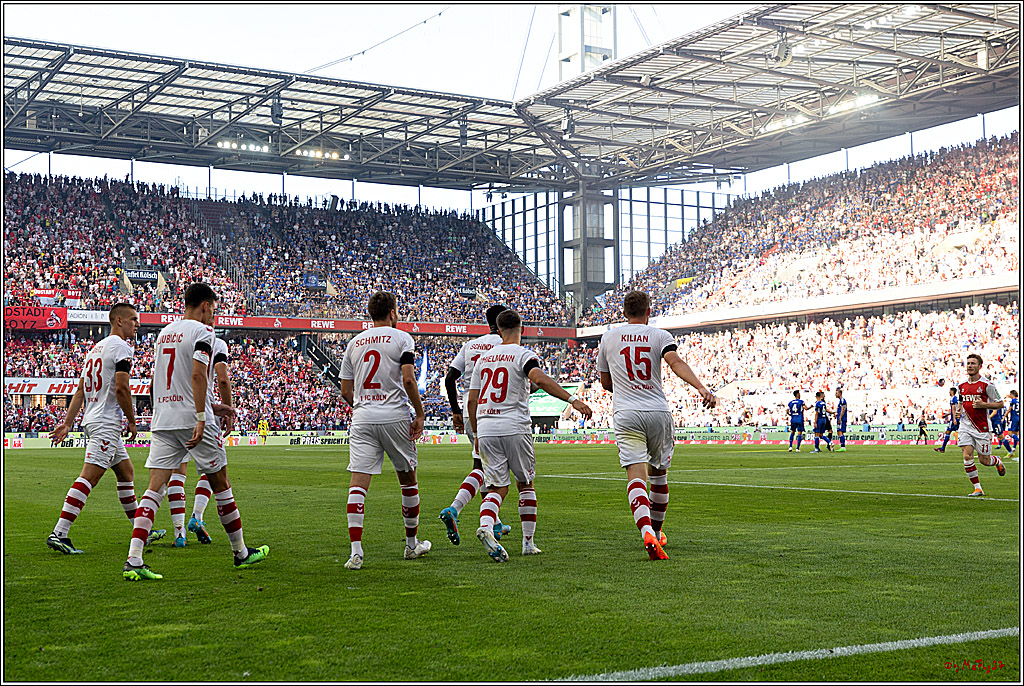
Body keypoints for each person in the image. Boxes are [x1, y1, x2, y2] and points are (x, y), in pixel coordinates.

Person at [122, 283, 266, 581]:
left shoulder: (164, 334)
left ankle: (134, 559)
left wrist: (210, 406)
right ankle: (240, 552)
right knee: (221, 483)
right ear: (204, 305)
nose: (214, 314)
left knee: (154, 489)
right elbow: (198, 375)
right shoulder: (203, 333)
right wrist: (202, 416)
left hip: (164, 419)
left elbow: (160, 382)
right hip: (192, 419)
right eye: (213, 308)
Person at [596, 291, 716, 560]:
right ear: (649, 311)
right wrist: (700, 387)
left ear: (624, 312)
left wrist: (627, 387)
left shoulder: (609, 337)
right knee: (659, 475)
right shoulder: (660, 335)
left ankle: (646, 532)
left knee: (636, 476)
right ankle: (658, 532)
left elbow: (605, 384)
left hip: (626, 412)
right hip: (657, 411)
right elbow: (675, 363)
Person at [467, 309, 593, 562]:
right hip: (514, 426)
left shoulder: (484, 359)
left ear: (498, 330)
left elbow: (472, 399)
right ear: (522, 329)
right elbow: (539, 379)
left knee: (496, 487)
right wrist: (573, 399)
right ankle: (527, 543)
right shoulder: (524, 355)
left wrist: (477, 432)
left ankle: (486, 525)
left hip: (487, 427)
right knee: (525, 484)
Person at [46, 303, 166, 554]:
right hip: (106, 422)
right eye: (133, 319)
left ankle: (140, 530)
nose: (137, 324)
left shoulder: (95, 349)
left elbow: (80, 390)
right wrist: (132, 420)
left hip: (95, 418)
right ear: (118, 321)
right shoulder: (122, 347)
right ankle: (59, 533)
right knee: (89, 477)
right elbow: (122, 388)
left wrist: (68, 423)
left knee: (126, 473)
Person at [339, 291, 430, 571]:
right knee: (407, 480)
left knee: (358, 484)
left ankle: (356, 553)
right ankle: (411, 545)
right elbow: (408, 379)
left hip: (363, 418)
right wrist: (420, 413)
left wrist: (364, 404)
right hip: (395, 417)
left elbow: (345, 390)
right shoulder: (402, 338)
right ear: (392, 313)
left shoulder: (354, 343)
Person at [438, 304, 511, 545]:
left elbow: (450, 378)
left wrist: (456, 411)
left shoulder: (470, 346)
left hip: (471, 410)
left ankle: (495, 522)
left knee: (482, 465)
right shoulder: (506, 346)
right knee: (488, 470)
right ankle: (454, 509)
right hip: (496, 411)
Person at [166, 335, 232, 547]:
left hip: (172, 414)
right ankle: (198, 516)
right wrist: (227, 411)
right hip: (201, 413)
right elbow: (222, 378)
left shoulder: (173, 341)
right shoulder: (215, 342)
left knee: (176, 474)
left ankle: (179, 533)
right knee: (213, 470)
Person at [956, 353, 1007, 497]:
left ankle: (996, 461)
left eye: (973, 363)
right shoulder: (961, 386)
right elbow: (960, 402)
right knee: (967, 456)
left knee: (984, 460)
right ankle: (978, 488)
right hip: (965, 426)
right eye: (968, 363)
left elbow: (1000, 403)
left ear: (979, 366)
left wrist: (984, 404)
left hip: (982, 427)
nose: (970, 366)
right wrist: (959, 411)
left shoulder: (987, 385)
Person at [934, 387, 959, 453]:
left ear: (952, 391)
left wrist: (953, 419)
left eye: (949, 390)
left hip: (955, 418)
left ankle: (943, 448)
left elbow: (954, 409)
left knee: (948, 432)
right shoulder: (955, 398)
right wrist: (947, 414)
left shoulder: (953, 398)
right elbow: (955, 409)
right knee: (961, 432)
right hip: (957, 417)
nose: (949, 392)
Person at [1007, 390, 1019, 454]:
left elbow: (1009, 409)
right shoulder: (1019, 401)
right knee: (1015, 433)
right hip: (1018, 418)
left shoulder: (1013, 401)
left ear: (1012, 394)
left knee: (1010, 433)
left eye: (1010, 394)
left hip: (1013, 419)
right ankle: (1014, 448)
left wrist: (1004, 417)